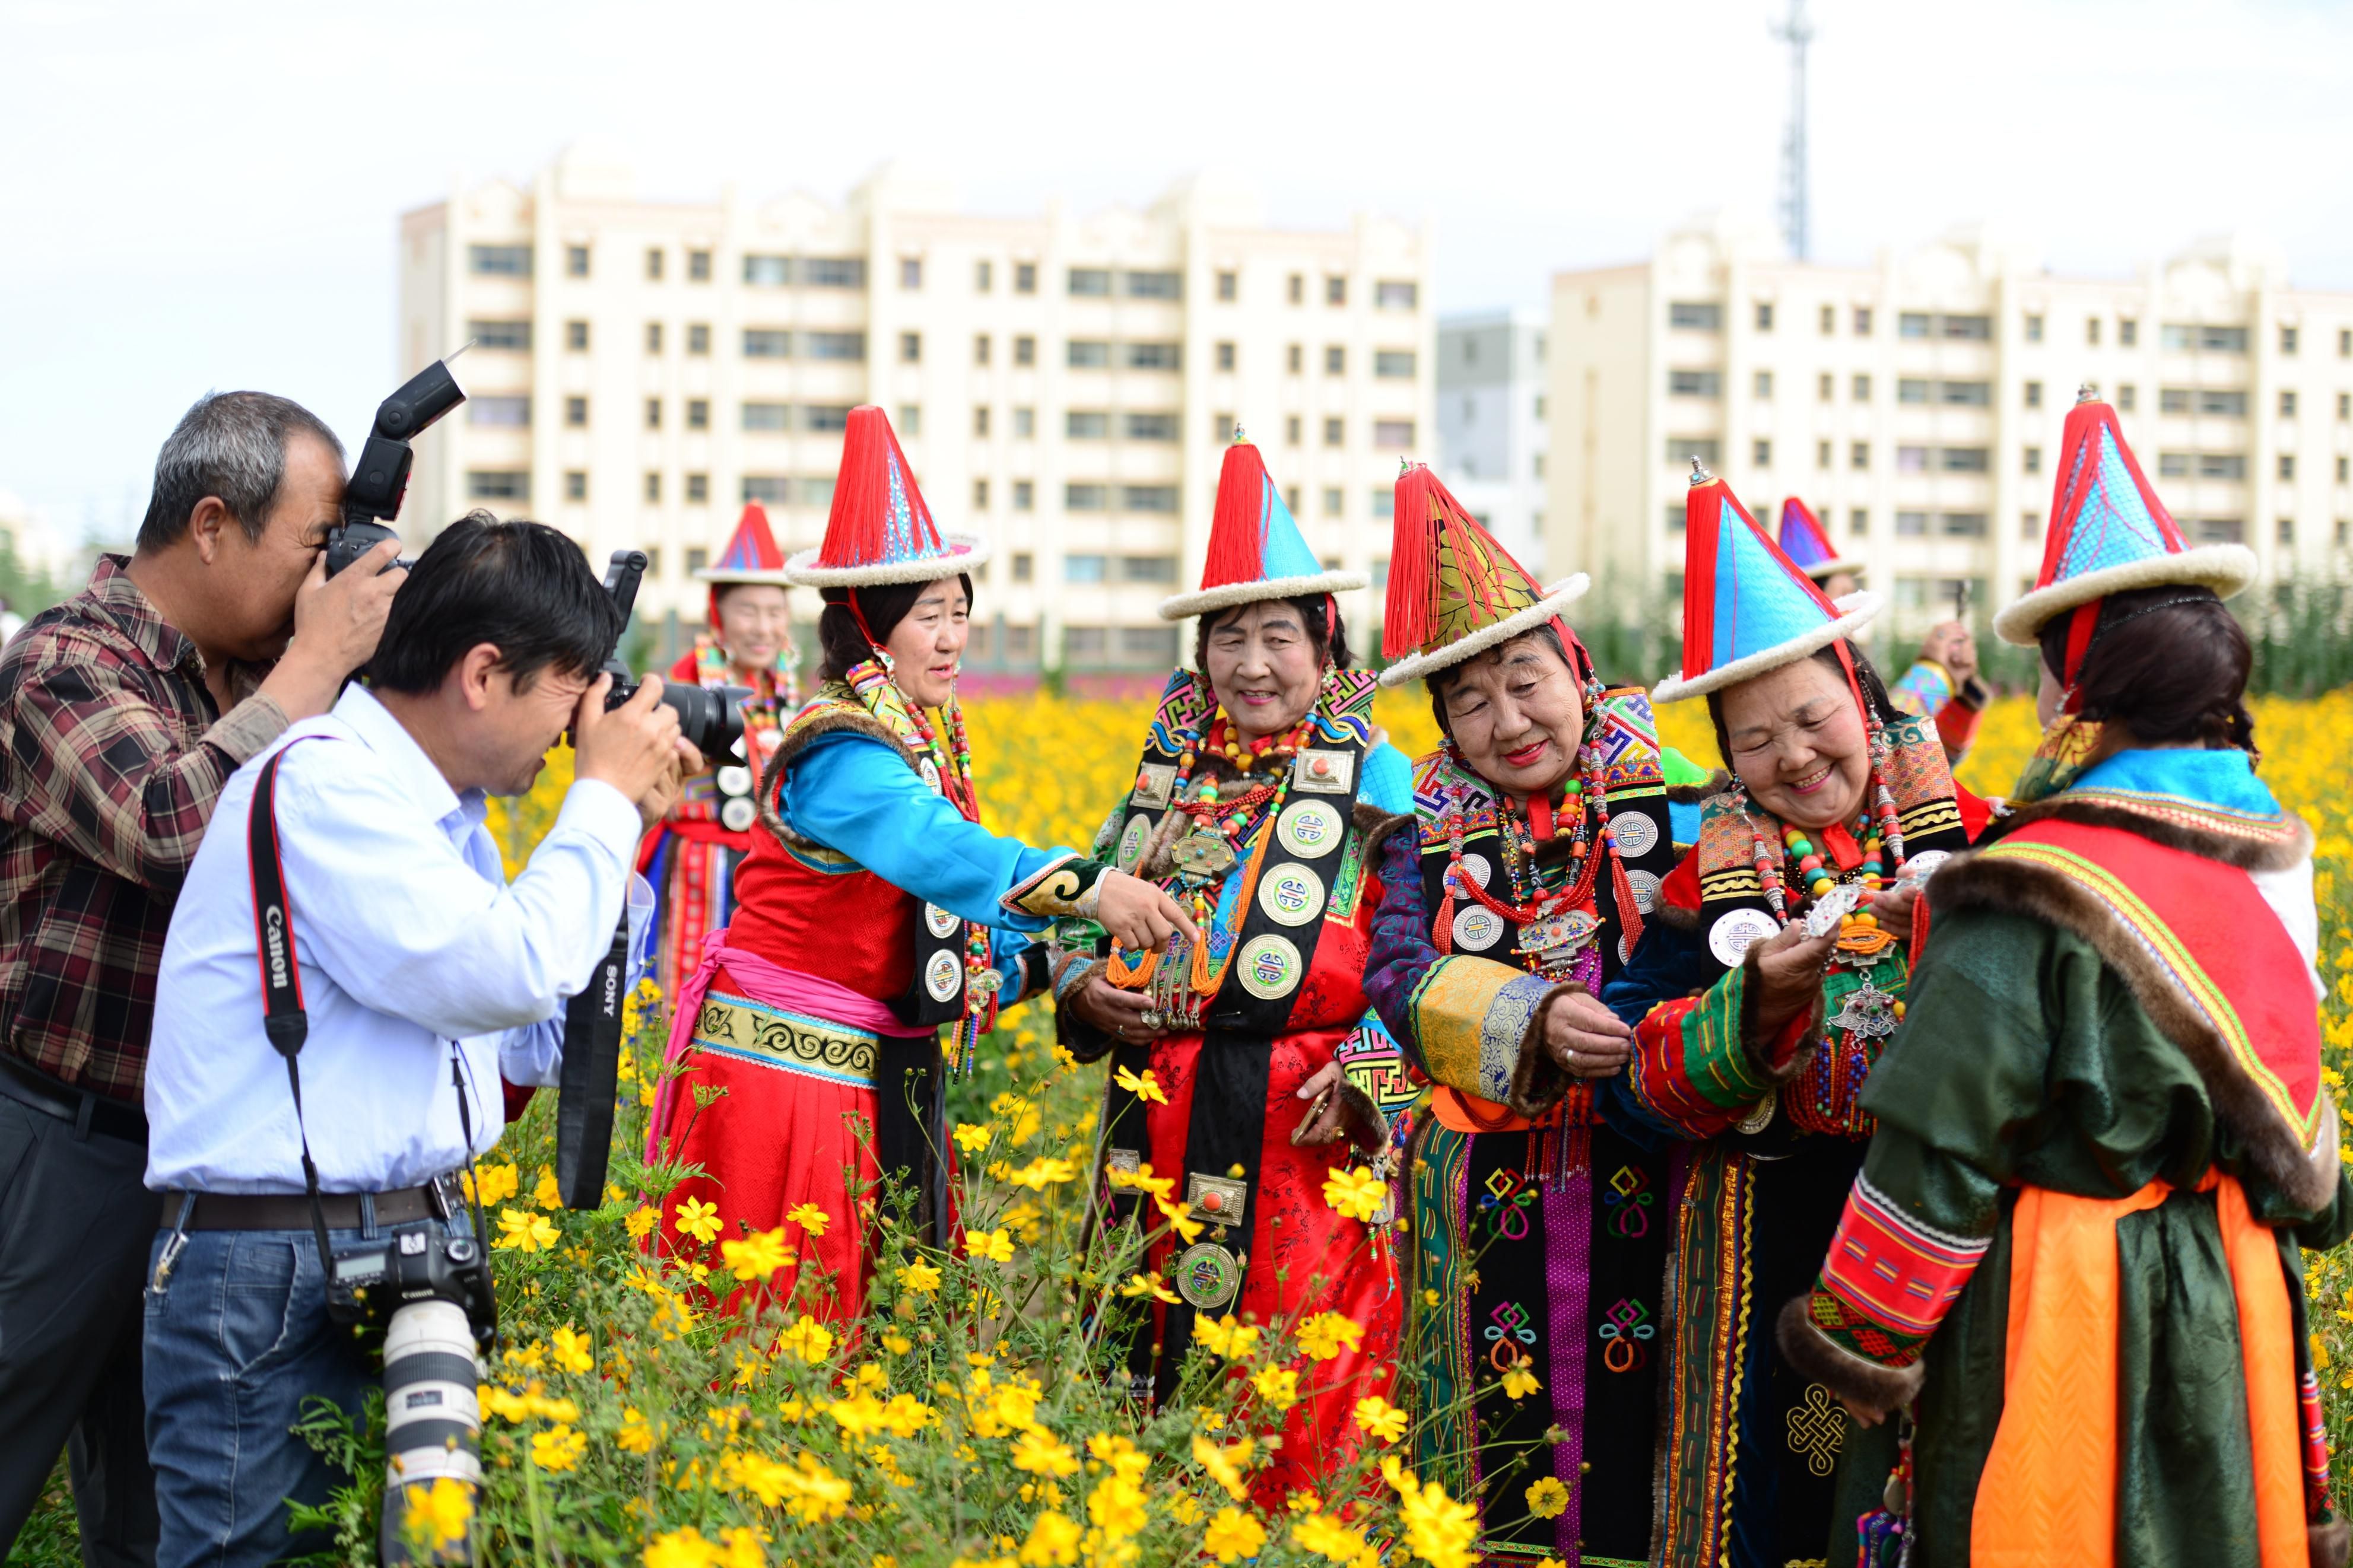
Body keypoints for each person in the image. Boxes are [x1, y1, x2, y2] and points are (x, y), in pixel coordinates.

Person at [1779, 389, 2351, 1566]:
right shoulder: (2272, 858)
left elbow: (1937, 1147)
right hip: (2228, 1292)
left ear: (2074, 695)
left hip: (2064, 1301)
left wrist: (1856, 1346)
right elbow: (2314, 1180)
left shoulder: (2029, 884)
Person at [139, 511, 690, 1567]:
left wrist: (618, 835)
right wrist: (601, 801)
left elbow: (527, 1043)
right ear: (482, 673)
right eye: (565, 700)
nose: (572, 734)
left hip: (384, 1254)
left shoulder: (439, 816)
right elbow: (504, 970)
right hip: (274, 1271)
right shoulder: (325, 784)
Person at [646, 406, 1192, 1322]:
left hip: (865, 1069)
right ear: (869, 628)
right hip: (789, 1077)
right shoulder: (840, 748)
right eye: (929, 616)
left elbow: (949, 931)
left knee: (857, 1324)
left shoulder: (917, 738)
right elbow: (938, 854)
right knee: (774, 1318)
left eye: (962, 614)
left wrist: (1069, 948)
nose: (952, 637)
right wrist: (1095, 889)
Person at [0, 392, 400, 1567]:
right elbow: (168, 821)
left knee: (163, 1513)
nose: (321, 582)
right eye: (309, 546)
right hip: (59, 1154)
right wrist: (318, 662)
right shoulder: (68, 659)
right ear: (215, 523)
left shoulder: (259, 677)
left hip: (200, 1176)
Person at [1602, 465, 1990, 1568]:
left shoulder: (1984, 841)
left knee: (1930, 1486)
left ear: (1862, 699)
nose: (1795, 756)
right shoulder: (1697, 891)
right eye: (1755, 740)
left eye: (1814, 718)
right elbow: (1630, 1089)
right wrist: (1756, 1000)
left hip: (1937, 1229)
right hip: (1763, 1243)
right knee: (1781, 1496)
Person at [1053, 433, 1405, 1502]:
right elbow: (1078, 908)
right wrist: (1079, 985)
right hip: (1148, 1117)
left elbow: (1424, 950)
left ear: (1324, 643)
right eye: (1228, 641)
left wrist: (1374, 1072)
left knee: (1295, 1387)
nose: (1251, 665)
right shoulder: (1166, 775)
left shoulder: (1377, 775)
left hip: (1297, 1127)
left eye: (1276, 638)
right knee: (1146, 1368)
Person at [1358, 463, 1682, 1563]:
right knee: (1491, 1444)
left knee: (1642, 1437)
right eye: (1471, 699)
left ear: (1576, 667)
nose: (1509, 719)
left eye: (1528, 680)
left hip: (1649, 1165)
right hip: (1482, 1182)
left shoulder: (1671, 794)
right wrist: (1531, 1020)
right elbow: (1396, 971)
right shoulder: (1420, 828)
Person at [639, 502, 802, 994]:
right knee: (681, 990)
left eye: (775, 612)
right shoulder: (687, 684)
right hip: (697, 866)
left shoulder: (785, 690)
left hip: (766, 872)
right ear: (718, 613)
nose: (763, 627)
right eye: (748, 611)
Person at [1777, 496, 1989, 765]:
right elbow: (1881, 749)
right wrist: (1933, 671)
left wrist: (1958, 687)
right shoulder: (1795, 677)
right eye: (1843, 596)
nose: (1852, 614)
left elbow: (1926, 768)